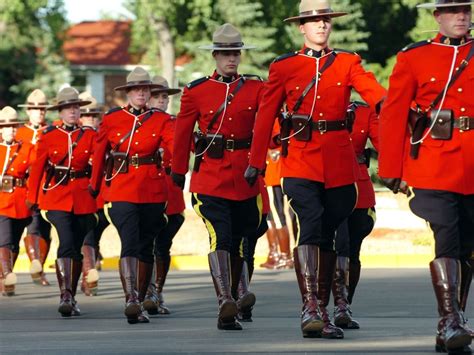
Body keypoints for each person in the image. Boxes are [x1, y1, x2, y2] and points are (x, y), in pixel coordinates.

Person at [244, 0, 386, 339]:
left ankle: (323, 309)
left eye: (325, 20)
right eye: (314, 21)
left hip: (339, 161)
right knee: (309, 223)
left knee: (329, 232)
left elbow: (373, 92)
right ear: (302, 28)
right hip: (301, 159)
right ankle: (310, 306)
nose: (321, 25)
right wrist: (254, 161)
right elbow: (265, 117)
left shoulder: (348, 62)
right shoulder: (284, 66)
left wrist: (399, 107)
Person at [378, 0, 474, 353]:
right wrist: (391, 168)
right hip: (434, 162)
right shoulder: (414, 57)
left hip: (473, 165)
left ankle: (454, 320)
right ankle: (450, 321)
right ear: (437, 16)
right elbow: (394, 113)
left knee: (467, 245)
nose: (462, 16)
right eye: (453, 11)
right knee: (447, 235)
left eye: (466, 9)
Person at [171, 23, 264, 330]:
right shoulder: (196, 91)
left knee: (239, 241)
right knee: (219, 236)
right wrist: (177, 171)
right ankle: (225, 298)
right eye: (225, 54)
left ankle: (233, 304)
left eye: (235, 53)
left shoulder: (255, 88)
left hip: (245, 177)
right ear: (214, 55)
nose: (231, 59)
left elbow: (266, 128)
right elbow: (182, 134)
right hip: (210, 177)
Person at [89, 67, 173, 324]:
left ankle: (141, 298)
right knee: (130, 242)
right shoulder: (113, 118)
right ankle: (132, 300)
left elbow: (173, 147)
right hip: (121, 188)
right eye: (136, 89)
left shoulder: (160, 119)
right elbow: (99, 153)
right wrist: (95, 186)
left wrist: (175, 169)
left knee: (147, 245)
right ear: (128, 92)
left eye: (145, 89)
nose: (141, 93)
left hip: (151, 188)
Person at [26, 87, 97, 318]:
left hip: (84, 197)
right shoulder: (49, 136)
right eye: (68, 108)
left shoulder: (89, 135)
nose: (73, 111)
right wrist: (31, 198)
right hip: (57, 197)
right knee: (66, 242)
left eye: (76, 107)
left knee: (76, 248)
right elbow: (37, 170)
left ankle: (72, 295)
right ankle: (65, 295)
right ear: (61, 111)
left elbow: (98, 166)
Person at [332, 102, 378, 330]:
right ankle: (337, 305)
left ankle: (345, 304)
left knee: (353, 248)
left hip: (359, 184)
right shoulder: (317, 107)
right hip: (330, 182)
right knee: (339, 244)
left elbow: (382, 141)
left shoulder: (364, 111)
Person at [143, 76, 185, 315]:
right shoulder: (140, 123)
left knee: (163, 245)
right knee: (145, 243)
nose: (161, 101)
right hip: (147, 187)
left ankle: (157, 290)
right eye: (156, 97)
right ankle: (146, 291)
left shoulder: (175, 123)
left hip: (171, 190)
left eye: (164, 97)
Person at [16, 89, 52, 286]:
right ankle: (35, 265)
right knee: (31, 227)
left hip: (46, 187)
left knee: (45, 230)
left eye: (42, 109)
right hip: (23, 188)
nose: (39, 113)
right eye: (35, 109)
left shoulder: (51, 131)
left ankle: (40, 268)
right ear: (28, 111)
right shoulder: (20, 133)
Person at [0, 107, 35, 296]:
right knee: (3, 239)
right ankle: (6, 276)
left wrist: (32, 197)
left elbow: (35, 171)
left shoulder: (27, 147)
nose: (11, 130)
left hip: (21, 200)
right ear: (0, 130)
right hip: (1, 201)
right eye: (6, 127)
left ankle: (6, 274)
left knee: (14, 242)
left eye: (14, 127)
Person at [78, 91, 103, 296]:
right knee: (86, 236)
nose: (91, 119)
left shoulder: (103, 134)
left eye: (94, 115)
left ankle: (89, 269)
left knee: (94, 235)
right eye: (86, 115)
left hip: (103, 194)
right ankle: (88, 276)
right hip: (80, 193)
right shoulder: (71, 136)